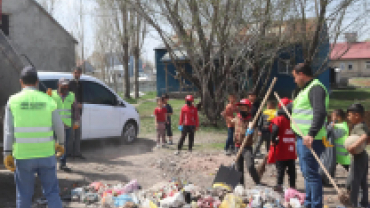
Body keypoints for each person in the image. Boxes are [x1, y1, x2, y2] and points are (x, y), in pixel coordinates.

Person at [3, 66, 65, 208]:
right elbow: (59, 126)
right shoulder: (48, 100)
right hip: (46, 155)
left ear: (21, 82)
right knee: (52, 193)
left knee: (24, 195)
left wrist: (7, 153)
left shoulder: (13, 101)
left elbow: (8, 131)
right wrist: (61, 143)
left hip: (23, 157)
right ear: (37, 81)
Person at [291, 63, 328, 208]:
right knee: (307, 173)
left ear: (301, 74)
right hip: (303, 137)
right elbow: (297, 109)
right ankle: (309, 203)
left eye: (295, 77)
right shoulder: (305, 90)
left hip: (311, 139)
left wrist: (311, 134)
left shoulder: (316, 89)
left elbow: (320, 112)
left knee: (311, 174)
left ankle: (315, 204)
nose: (295, 80)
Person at [50, 78, 80, 172]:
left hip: (66, 125)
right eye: (63, 85)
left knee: (64, 145)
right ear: (59, 85)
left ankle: (62, 164)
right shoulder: (52, 94)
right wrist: (46, 96)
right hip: (54, 125)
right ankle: (51, 164)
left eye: (67, 85)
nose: (66, 87)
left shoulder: (71, 95)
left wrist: (76, 121)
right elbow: (45, 106)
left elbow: (75, 109)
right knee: (52, 145)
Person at [269, 98, 297, 192]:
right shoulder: (293, 120)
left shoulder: (278, 119)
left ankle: (279, 185)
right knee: (292, 168)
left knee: (280, 168)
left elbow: (275, 130)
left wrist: (273, 139)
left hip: (281, 148)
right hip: (291, 148)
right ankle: (292, 186)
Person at [231, 99, 261, 186]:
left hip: (247, 147)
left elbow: (255, 131)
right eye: (240, 107)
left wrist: (251, 130)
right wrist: (226, 116)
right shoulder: (237, 117)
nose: (242, 109)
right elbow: (231, 123)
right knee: (239, 168)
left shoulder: (251, 119)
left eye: (244, 108)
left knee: (250, 166)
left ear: (248, 109)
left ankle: (258, 182)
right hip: (237, 146)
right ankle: (241, 186)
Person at [345, 103, 369, 208]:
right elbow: (367, 137)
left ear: (356, 115)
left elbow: (364, 136)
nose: (348, 118)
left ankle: (352, 204)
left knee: (353, 182)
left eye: (349, 115)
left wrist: (353, 146)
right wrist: (362, 145)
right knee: (363, 181)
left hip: (358, 158)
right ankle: (364, 202)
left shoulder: (359, 126)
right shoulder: (363, 124)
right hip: (363, 156)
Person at [68, 66, 85, 159]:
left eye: (78, 73)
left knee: (78, 133)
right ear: (72, 73)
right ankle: (69, 153)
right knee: (71, 134)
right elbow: (66, 98)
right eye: (75, 73)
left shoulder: (81, 84)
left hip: (78, 114)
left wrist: (81, 104)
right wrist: (75, 104)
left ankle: (77, 152)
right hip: (71, 113)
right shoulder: (69, 84)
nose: (77, 74)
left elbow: (82, 97)